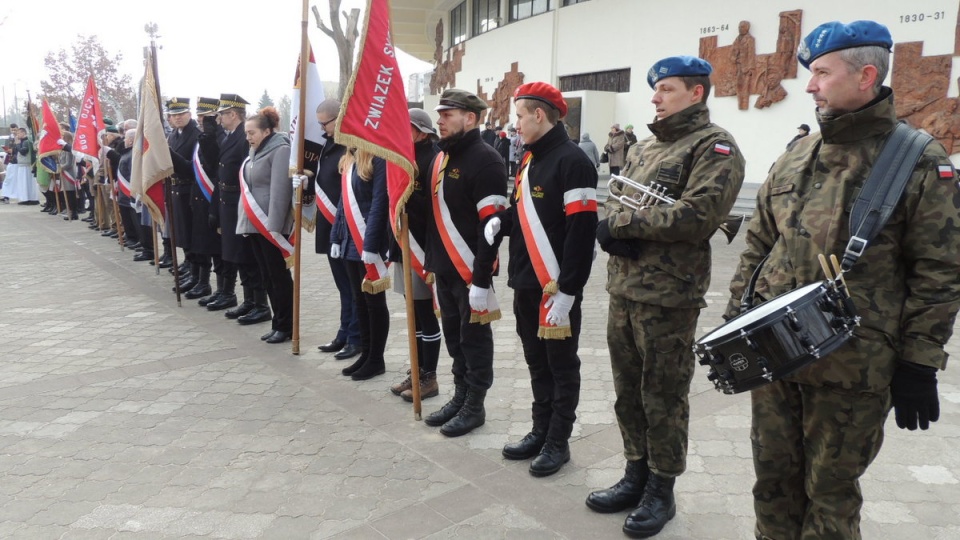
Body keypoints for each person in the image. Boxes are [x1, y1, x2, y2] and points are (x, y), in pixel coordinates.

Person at [725, 21, 960, 539]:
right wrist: (738, 316)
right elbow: (761, 245)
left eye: (822, 73)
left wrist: (920, 361)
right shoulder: (798, 153)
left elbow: (939, 271)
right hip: (776, 356)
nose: (809, 86)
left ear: (866, 75)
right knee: (772, 482)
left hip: (853, 368)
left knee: (830, 496)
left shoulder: (916, 160)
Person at [588, 56, 745, 538]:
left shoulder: (714, 147)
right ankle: (635, 471)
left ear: (696, 93)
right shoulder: (646, 147)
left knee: (664, 397)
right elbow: (620, 199)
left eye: (667, 89)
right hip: (625, 289)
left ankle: (662, 487)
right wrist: (620, 222)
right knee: (627, 394)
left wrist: (623, 225)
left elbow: (698, 215)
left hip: (669, 299)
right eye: (655, 89)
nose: (655, 97)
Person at [482, 82, 598, 477]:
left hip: (556, 289)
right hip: (526, 283)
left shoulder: (574, 161)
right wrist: (503, 221)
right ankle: (540, 428)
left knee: (561, 365)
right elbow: (529, 215)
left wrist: (569, 290)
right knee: (536, 362)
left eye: (518, 116)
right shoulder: (531, 160)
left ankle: (558, 440)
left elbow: (581, 233)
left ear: (539, 114)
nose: (514, 125)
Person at [423, 88, 508, 437]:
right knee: (455, 339)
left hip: (471, 270)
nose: (440, 120)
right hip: (444, 267)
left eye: (448, 114)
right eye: (439, 114)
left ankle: (475, 405)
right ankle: (460, 396)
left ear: (470, 118)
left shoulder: (486, 160)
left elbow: (491, 227)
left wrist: (480, 279)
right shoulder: (442, 157)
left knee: (474, 340)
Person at [388, 108, 443, 401]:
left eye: (405, 127)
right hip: (403, 244)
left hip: (422, 248)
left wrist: (410, 196)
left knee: (425, 314)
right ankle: (416, 369)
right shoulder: (402, 158)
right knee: (413, 317)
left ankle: (429, 377)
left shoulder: (432, 158)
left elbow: (434, 208)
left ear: (421, 131)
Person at [205, 94, 270, 325]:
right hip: (228, 201)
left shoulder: (245, 137)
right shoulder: (231, 136)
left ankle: (261, 304)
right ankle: (249, 300)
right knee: (238, 255)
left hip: (242, 201)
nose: (219, 118)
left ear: (233, 114)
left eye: (222, 114)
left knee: (248, 255)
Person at [329, 148, 391, 379]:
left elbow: (379, 202)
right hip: (349, 241)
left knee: (374, 302)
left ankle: (376, 358)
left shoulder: (378, 157)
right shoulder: (349, 159)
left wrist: (372, 243)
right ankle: (366, 353)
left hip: (367, 240)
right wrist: (335, 236)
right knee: (359, 301)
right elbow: (342, 204)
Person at [237, 106, 294, 344]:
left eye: (252, 133)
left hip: (271, 226)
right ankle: (277, 322)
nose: (248, 137)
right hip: (254, 224)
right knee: (267, 276)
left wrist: (274, 226)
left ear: (267, 130)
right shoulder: (255, 152)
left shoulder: (280, 149)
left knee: (278, 277)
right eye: (246, 133)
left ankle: (286, 325)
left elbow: (280, 190)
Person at [310, 99, 361, 360]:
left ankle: (356, 336)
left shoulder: (351, 145)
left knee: (353, 286)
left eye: (325, 123)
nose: (322, 128)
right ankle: (344, 332)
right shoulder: (329, 145)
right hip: (330, 226)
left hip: (348, 227)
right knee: (343, 286)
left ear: (339, 118)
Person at [188, 98, 224, 302]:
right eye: (200, 116)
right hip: (199, 198)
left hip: (214, 198)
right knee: (201, 244)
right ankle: (203, 282)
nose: (201, 120)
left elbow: (213, 165)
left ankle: (223, 290)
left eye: (206, 116)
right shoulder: (202, 137)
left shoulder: (216, 137)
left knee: (217, 248)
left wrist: (210, 136)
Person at [165, 98, 201, 294]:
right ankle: (189, 265)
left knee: (192, 234)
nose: (177, 118)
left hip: (190, 189)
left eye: (181, 114)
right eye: (174, 115)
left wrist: (169, 154)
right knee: (182, 233)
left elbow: (192, 168)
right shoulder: (173, 135)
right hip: (176, 189)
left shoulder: (196, 135)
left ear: (189, 114)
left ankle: (196, 271)